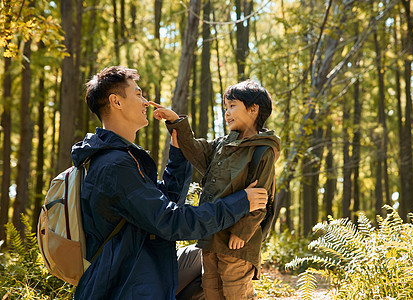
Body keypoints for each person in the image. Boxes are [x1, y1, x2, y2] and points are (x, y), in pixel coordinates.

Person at [71, 66, 268, 300]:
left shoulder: (122, 157)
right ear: (116, 102)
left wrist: (178, 155)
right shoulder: (115, 166)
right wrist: (240, 203)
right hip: (125, 283)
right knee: (209, 263)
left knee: (209, 254)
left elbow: (165, 203)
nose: (145, 102)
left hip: (140, 263)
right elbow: (171, 222)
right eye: (138, 94)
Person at [151, 80, 280, 300]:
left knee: (235, 290)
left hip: (236, 243)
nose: (227, 113)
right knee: (211, 289)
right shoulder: (221, 145)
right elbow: (194, 149)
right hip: (210, 236)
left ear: (253, 109)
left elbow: (262, 200)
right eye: (225, 108)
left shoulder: (262, 151)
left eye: (232, 106)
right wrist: (176, 122)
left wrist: (242, 232)